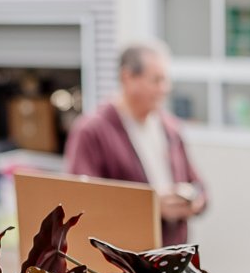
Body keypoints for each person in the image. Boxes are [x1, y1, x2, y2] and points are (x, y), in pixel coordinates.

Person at [64, 41, 207, 247]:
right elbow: (82, 204)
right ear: (127, 77)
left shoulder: (169, 126)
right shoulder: (91, 131)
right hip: (125, 266)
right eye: (156, 80)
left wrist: (194, 199)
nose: (165, 89)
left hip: (173, 257)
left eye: (166, 80)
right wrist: (151, 208)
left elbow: (199, 185)